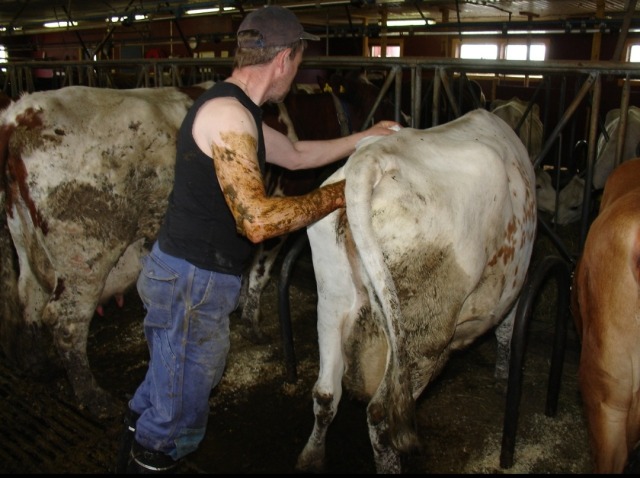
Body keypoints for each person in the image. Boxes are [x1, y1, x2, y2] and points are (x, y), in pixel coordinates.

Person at [117, 5, 401, 474]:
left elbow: (293, 154)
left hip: (185, 276)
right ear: (285, 59)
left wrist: (364, 138)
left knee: (159, 391)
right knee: (175, 423)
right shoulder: (229, 116)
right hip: (193, 285)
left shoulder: (237, 107)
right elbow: (258, 221)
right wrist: (345, 193)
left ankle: (127, 453)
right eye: (300, 60)